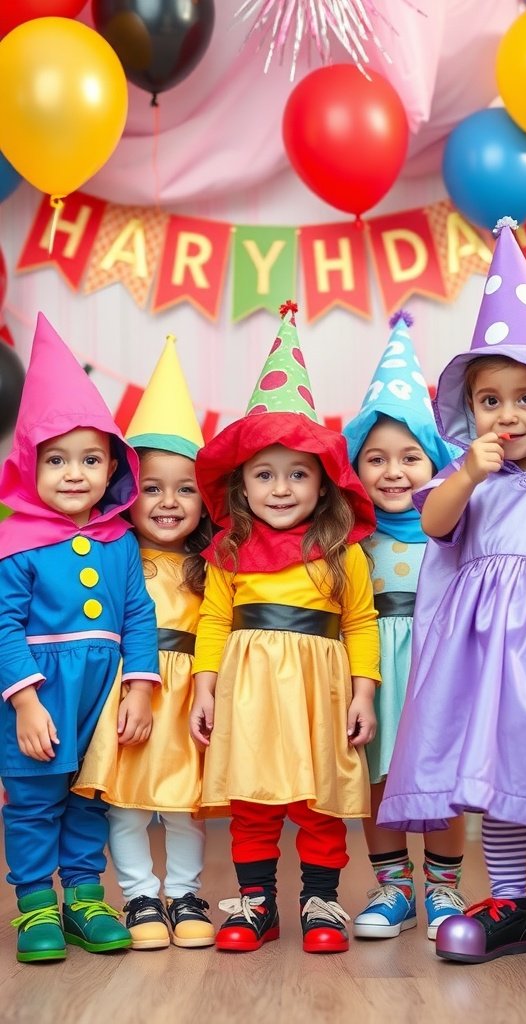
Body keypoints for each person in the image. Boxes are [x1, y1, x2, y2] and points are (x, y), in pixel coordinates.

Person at [378, 218, 526, 971]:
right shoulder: (474, 479)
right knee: (487, 784)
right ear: (471, 411)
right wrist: (466, 474)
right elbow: (432, 524)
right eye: (490, 401)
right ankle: (506, 905)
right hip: (484, 662)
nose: (507, 415)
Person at [190, 301, 380, 954]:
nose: (280, 487)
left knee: (320, 797)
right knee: (254, 800)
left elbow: (360, 622)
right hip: (248, 693)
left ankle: (322, 902)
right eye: (264, 474)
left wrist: (363, 691)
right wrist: (205, 684)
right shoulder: (230, 552)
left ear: (323, 485)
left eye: (297, 474)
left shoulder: (343, 552)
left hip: (318, 695)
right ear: (240, 485)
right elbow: (214, 618)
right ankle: (255, 903)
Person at [0, 313, 160, 964]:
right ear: (28, 465)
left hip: (101, 691)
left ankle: (87, 898)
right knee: (35, 801)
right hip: (42, 692)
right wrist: (25, 702)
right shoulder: (15, 545)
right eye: (58, 459)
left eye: (91, 459)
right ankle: (37, 903)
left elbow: (139, 616)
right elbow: (4, 624)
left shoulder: (121, 543)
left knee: (90, 794)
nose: (75, 473)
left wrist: (141, 689)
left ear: (113, 465)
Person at [74, 336, 215, 950]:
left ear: (206, 499)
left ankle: (184, 892)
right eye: (153, 488)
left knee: (184, 803)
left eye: (186, 489)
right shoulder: (113, 554)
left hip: (187, 694)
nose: (168, 502)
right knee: (126, 803)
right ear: (128, 496)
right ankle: (137, 895)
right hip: (127, 689)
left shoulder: (212, 565)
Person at [342, 312, 466, 944]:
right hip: (376, 669)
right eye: (375, 458)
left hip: (442, 664)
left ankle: (445, 886)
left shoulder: (457, 527)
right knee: (378, 778)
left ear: (437, 458)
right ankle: (396, 887)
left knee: (443, 778)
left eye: (410, 456)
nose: (392, 471)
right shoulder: (349, 538)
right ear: (354, 467)